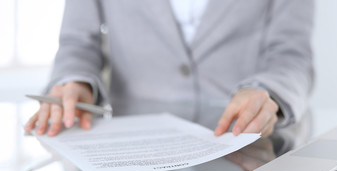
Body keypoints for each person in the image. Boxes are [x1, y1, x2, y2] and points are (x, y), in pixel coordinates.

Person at [25, 0, 314, 138]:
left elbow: (292, 53)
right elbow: (78, 41)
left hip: (245, 147)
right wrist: (77, 82)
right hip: (131, 160)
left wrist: (267, 92)